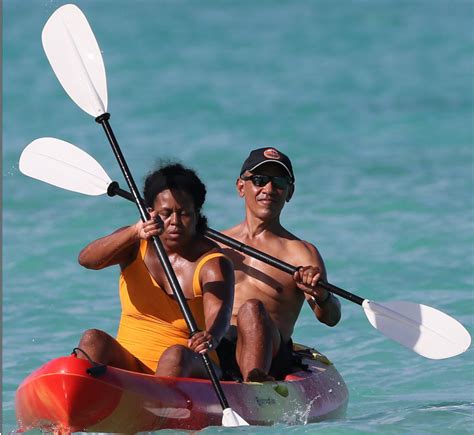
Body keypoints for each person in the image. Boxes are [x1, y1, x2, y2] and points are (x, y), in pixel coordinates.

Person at [76, 163, 234, 378]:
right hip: (131, 362)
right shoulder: (134, 243)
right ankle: (79, 402)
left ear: (197, 214)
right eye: (166, 213)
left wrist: (211, 337)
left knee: (174, 355)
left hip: (190, 366)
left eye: (184, 213)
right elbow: (87, 260)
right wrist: (133, 232)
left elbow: (220, 313)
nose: (175, 222)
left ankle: (160, 406)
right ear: (150, 212)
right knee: (92, 339)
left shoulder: (212, 262)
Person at [217, 147, 341, 382]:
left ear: (290, 192)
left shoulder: (301, 253)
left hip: (272, 357)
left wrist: (322, 295)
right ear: (241, 186)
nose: (269, 189)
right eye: (259, 180)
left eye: (279, 182)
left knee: (252, 309)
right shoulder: (215, 244)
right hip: (216, 348)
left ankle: (255, 386)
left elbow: (331, 317)